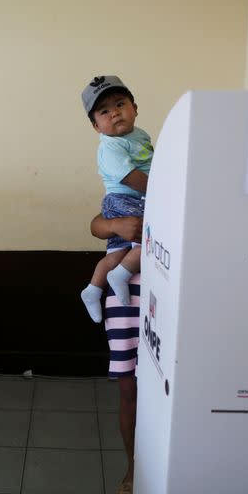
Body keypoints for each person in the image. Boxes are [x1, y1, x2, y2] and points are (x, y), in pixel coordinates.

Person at [79, 76, 153, 323]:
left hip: (131, 199)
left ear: (135, 108)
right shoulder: (110, 146)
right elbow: (131, 178)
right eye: (104, 111)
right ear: (96, 126)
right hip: (125, 199)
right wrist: (162, 190)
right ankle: (121, 274)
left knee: (114, 254)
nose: (115, 113)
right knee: (151, 239)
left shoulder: (140, 135)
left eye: (120, 104)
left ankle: (92, 290)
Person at [91, 213, 142, 494]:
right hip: (126, 302)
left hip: (172, 292)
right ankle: (133, 474)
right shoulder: (127, 190)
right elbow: (96, 225)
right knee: (130, 394)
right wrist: (114, 226)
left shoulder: (178, 183)